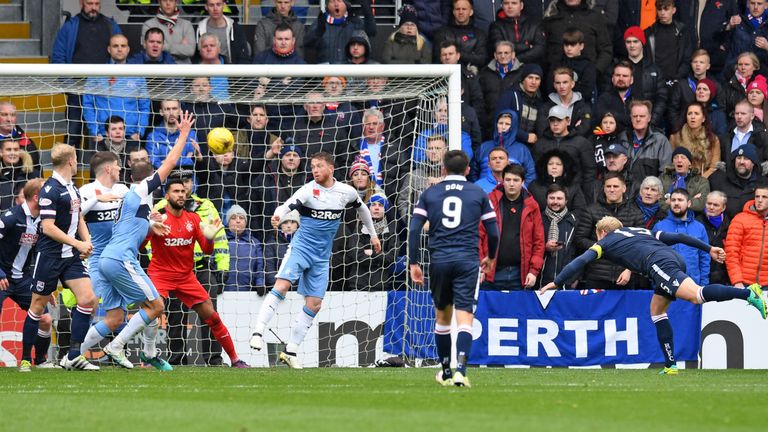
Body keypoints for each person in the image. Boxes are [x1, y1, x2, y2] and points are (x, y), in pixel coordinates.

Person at [541, 215, 767, 375]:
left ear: (603, 232)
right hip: (672, 259)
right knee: (657, 310)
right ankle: (671, 365)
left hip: (658, 265)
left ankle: (747, 293)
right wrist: (708, 248)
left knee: (696, 296)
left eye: (598, 235)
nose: (598, 239)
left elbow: (581, 260)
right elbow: (678, 237)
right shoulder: (641, 231)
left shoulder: (607, 241)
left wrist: (556, 282)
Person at [77, 112, 195, 371]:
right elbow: (171, 162)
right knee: (156, 305)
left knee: (120, 314)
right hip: (120, 259)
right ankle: (117, 346)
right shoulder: (140, 190)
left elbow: (129, 225)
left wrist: (152, 224)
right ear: (149, 179)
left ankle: (73, 354)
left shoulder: (131, 200)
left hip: (109, 259)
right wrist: (184, 133)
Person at [249, 152, 381, 369]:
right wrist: (278, 215)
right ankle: (258, 330)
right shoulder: (309, 190)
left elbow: (363, 209)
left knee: (315, 304)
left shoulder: (345, 192)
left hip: (321, 257)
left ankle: (291, 350)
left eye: (319, 166)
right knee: (281, 286)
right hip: (301, 249)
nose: (315, 170)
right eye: (312, 166)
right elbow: (287, 205)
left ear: (331, 168)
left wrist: (373, 235)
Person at [408, 150, 499, 387]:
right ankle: (461, 370)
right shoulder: (478, 192)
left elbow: (414, 229)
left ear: (443, 170)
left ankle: (446, 371)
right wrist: (490, 256)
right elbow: (493, 231)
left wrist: (414, 262)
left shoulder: (430, 192)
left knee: (443, 318)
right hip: (468, 259)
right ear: (468, 170)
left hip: (439, 260)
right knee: (465, 316)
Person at [147, 177, 247, 368]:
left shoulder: (195, 217)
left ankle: (232, 359)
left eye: (183, 190)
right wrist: (149, 229)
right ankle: (155, 356)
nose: (181, 194)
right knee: (155, 311)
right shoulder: (158, 214)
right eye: (176, 191)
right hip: (162, 274)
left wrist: (209, 238)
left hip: (189, 275)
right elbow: (143, 244)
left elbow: (208, 249)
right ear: (167, 195)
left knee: (211, 315)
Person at [22, 144, 95, 370]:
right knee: (37, 306)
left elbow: (79, 217)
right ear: (71, 162)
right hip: (50, 256)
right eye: (76, 159)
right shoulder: (49, 190)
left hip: (70, 256)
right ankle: (26, 358)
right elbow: (48, 228)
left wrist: (87, 241)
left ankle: (73, 355)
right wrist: (77, 242)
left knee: (88, 299)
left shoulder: (72, 187)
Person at [51, 0, 121, 147]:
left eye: (97, 3)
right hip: (77, 90)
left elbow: (120, 54)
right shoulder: (70, 27)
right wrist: (69, 86)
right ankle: (68, 170)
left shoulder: (111, 25)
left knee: (106, 135)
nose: (93, 7)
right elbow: (58, 57)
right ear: (81, 3)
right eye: (90, 3)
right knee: (73, 134)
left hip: (104, 91)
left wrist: (114, 83)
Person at [1, 179, 54, 371]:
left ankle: (38, 360)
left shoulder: (44, 221)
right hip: (2, 278)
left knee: (45, 319)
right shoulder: (10, 217)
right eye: (47, 194)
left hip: (23, 278)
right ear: (36, 197)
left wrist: (43, 284)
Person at [573, 172, 644, 290]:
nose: (612, 190)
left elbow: (641, 245)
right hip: (596, 275)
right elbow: (579, 239)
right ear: (604, 188)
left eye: (615, 186)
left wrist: (629, 270)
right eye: (608, 186)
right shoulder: (591, 210)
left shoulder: (635, 213)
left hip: (624, 277)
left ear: (624, 188)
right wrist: (601, 246)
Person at [479, 163, 545, 291]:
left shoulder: (532, 205)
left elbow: (539, 241)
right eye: (508, 180)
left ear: (523, 182)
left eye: (516, 180)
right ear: (502, 181)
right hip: (490, 273)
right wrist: (480, 266)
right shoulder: (489, 201)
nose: (511, 184)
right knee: (488, 311)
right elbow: (478, 235)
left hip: (520, 275)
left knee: (517, 312)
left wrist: (533, 271)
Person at [82, 34, 151, 147]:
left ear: (128, 49)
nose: (119, 49)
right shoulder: (97, 74)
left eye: (123, 46)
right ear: (109, 49)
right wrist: (95, 131)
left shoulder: (137, 75)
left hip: (130, 135)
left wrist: (139, 131)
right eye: (115, 46)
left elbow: (144, 106)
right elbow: (87, 105)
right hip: (102, 136)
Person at [653, 188, 711, 286]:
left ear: (688, 203)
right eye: (673, 200)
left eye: (680, 200)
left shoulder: (699, 227)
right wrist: (656, 283)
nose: (676, 203)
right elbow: (653, 257)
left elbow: (704, 257)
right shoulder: (659, 227)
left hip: (693, 285)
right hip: (666, 285)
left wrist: (703, 284)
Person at [305, 0, 376, 64]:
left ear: (346, 4)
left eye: (339, 1)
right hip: (326, 73)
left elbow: (371, 32)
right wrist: (318, 32)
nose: (336, 4)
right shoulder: (319, 22)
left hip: (348, 73)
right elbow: (308, 44)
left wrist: (368, 13)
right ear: (327, 5)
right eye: (332, 1)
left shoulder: (356, 22)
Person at [725, 182, 768, 287]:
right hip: (744, 282)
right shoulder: (740, 219)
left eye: (764, 197)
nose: (760, 200)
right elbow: (731, 252)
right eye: (757, 196)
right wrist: (737, 281)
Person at [478, 41, 524, 132]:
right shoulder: (484, 73)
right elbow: (479, 99)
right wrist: (485, 120)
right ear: (495, 55)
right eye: (500, 53)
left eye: (506, 53)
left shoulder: (523, 73)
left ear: (513, 54)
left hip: (516, 126)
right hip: (489, 126)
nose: (503, 56)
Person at [539, 183, 578, 288]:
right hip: (541, 278)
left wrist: (576, 277)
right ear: (546, 199)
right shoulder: (538, 219)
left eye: (559, 198)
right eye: (552, 198)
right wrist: (544, 247)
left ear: (566, 201)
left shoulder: (574, 221)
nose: (555, 202)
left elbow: (579, 251)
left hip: (567, 279)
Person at [536, 67, 593, 138]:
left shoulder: (584, 107)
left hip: (575, 147)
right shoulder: (546, 107)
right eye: (558, 83)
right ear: (554, 85)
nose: (561, 86)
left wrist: (559, 133)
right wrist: (573, 130)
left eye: (565, 82)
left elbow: (585, 131)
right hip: (551, 146)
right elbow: (542, 131)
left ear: (572, 84)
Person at [643, 0, 692, 82]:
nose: (662, 13)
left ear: (673, 10)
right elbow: (645, 58)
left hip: (677, 80)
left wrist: (678, 77)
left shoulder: (682, 31)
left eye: (666, 9)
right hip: (655, 81)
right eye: (659, 9)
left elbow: (687, 58)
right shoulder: (649, 32)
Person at [431, 0, 488, 70]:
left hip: (472, 77)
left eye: (464, 9)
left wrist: (457, 54)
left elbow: (481, 60)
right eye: (457, 9)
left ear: (471, 12)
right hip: (447, 76)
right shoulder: (442, 33)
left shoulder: (480, 34)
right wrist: (470, 56)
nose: (460, 12)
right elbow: (437, 60)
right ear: (453, 12)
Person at [669, 102, 720, 178]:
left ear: (703, 118)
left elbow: (714, 167)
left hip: (705, 179)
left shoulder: (713, 139)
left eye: (696, 114)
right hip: (682, 178)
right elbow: (671, 164)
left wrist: (701, 180)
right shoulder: (675, 138)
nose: (692, 117)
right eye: (689, 114)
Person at [709, 144, 761, 218]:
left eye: (746, 158)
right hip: (724, 227)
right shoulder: (718, 179)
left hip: (753, 227)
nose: (741, 162)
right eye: (739, 158)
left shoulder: (762, 183)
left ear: (753, 163)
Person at [488, 0, 546, 66]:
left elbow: (539, 49)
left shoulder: (534, 24)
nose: (510, 6)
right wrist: (527, 46)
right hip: (506, 67)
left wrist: (517, 59)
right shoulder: (496, 26)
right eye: (506, 3)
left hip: (530, 67)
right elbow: (501, 48)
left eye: (514, 3)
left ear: (521, 6)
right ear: (502, 6)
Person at [146, 100, 201, 169]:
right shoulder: (152, 137)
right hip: (165, 179)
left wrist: (166, 162)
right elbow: (155, 164)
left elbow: (193, 162)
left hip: (188, 178)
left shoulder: (190, 133)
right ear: (161, 112)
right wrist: (186, 160)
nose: (171, 113)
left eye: (174, 108)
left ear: (180, 111)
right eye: (167, 109)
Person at [195, 0, 251, 64]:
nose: (215, 9)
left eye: (218, 4)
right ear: (206, 7)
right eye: (211, 5)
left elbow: (243, 58)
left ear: (224, 5)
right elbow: (195, 57)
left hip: (231, 71)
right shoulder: (199, 29)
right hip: (204, 71)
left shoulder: (236, 29)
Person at [224, 205, 264, 293]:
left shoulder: (254, 243)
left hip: (248, 292)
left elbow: (259, 267)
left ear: (246, 222)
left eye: (241, 218)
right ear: (228, 222)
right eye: (233, 218)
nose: (238, 221)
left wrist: (260, 284)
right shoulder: (221, 241)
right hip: (224, 291)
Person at [659, 147, 710, 213]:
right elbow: (658, 202)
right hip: (667, 217)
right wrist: (691, 201)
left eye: (683, 157)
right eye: (676, 157)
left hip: (692, 218)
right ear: (673, 162)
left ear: (689, 163)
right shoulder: (663, 179)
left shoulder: (701, 182)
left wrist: (671, 201)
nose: (679, 160)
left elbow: (702, 203)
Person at [696, 191, 731, 285]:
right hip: (702, 273)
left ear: (723, 208)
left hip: (723, 275)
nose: (711, 207)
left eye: (716, 205)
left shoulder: (730, 223)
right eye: (709, 203)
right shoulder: (697, 223)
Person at [263, 210, 299, 292]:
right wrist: (280, 288)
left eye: (293, 222)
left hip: (300, 291)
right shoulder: (271, 244)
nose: (289, 226)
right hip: (278, 290)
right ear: (280, 225)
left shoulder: (305, 243)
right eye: (285, 222)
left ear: (297, 224)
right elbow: (269, 270)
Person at [0, 102, 39, 168]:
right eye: (4, 115)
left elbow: (37, 171)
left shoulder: (26, 142)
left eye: (13, 115)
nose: (9, 119)